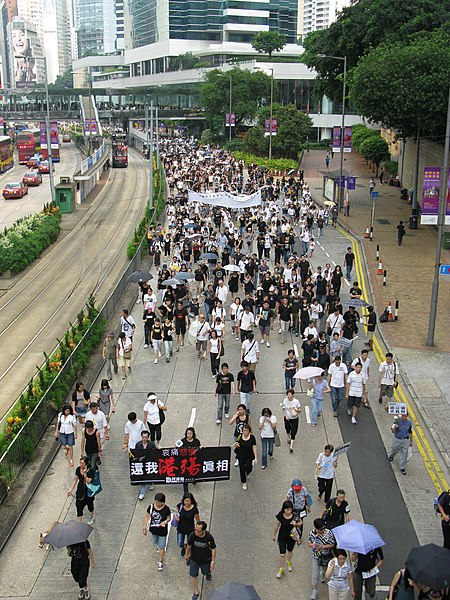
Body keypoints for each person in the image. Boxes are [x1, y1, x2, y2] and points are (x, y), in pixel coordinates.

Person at [185, 521, 217, 600]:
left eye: (198, 531)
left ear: (203, 531)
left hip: (205, 560)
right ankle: (196, 591)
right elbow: (189, 545)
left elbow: (213, 549)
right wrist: (187, 554)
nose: (196, 532)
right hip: (194, 559)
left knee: (205, 572)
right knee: (193, 575)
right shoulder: (192, 535)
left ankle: (208, 574)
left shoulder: (209, 537)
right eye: (195, 529)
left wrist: (212, 561)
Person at [308, 518, 336, 600]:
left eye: (324, 528)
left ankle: (323, 574)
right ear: (316, 529)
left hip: (326, 556)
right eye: (321, 529)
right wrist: (312, 545)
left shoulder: (329, 533)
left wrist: (323, 546)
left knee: (324, 568)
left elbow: (332, 545)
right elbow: (309, 542)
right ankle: (314, 590)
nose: (323, 530)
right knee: (314, 575)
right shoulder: (312, 533)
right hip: (316, 556)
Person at [143, 492, 171, 571]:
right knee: (155, 541)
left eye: (160, 502)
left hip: (162, 531)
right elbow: (147, 516)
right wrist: (144, 527)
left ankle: (160, 561)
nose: (158, 504)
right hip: (153, 529)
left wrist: (165, 522)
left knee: (162, 546)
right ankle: (159, 547)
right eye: (157, 502)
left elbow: (169, 518)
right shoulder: (151, 507)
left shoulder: (166, 509)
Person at [273, 500, 298, 579]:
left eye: (290, 509)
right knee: (282, 554)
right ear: (284, 509)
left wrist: (296, 524)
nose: (289, 511)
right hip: (282, 537)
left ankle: (289, 562)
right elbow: (277, 525)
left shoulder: (294, 515)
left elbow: (301, 522)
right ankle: (281, 568)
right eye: (287, 510)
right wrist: (274, 535)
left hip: (291, 537)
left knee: (290, 550)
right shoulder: (280, 515)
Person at [67, 456, 96, 525]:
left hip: (88, 491)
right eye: (80, 463)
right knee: (78, 506)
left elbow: (89, 481)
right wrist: (70, 489)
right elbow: (75, 479)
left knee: (90, 505)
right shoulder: (78, 469)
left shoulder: (91, 470)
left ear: (86, 464)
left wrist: (85, 474)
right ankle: (79, 523)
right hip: (80, 490)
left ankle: (92, 516)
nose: (80, 465)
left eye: (82, 463)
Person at [234, 423, 257, 490]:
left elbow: (254, 447)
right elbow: (236, 443)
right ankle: (244, 482)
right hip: (241, 455)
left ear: (249, 431)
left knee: (249, 467)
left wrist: (256, 457)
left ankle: (247, 472)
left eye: (246, 430)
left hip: (249, 455)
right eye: (244, 430)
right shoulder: (240, 436)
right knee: (241, 468)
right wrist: (236, 445)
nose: (245, 432)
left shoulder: (252, 437)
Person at [176, 492, 200, 557]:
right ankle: (184, 547)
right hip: (181, 528)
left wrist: (198, 529)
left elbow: (198, 519)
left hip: (190, 529)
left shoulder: (194, 509)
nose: (186, 503)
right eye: (185, 501)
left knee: (190, 544)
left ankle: (188, 555)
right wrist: (176, 517)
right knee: (179, 543)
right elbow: (176, 512)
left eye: (188, 501)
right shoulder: (180, 506)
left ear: (191, 501)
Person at [55, 403, 78, 467]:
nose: (67, 412)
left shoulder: (72, 417)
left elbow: (75, 425)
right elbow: (58, 423)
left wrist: (75, 433)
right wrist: (56, 432)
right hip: (62, 432)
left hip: (70, 432)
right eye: (66, 410)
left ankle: (71, 459)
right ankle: (67, 449)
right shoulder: (60, 415)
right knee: (64, 445)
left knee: (71, 446)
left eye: (68, 411)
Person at [136, 430, 156, 500]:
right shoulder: (138, 444)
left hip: (149, 463)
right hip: (141, 464)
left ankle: (150, 483)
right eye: (143, 437)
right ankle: (142, 493)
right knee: (143, 478)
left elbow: (155, 453)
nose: (144, 439)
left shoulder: (151, 444)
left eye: (146, 437)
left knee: (150, 475)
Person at [282, 389, 301, 453]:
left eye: (289, 394)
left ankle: (291, 447)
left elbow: (300, 410)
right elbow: (283, 408)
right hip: (287, 418)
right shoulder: (285, 401)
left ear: (292, 395)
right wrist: (285, 415)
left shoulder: (296, 401)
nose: (288, 396)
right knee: (287, 429)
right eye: (287, 394)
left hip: (295, 418)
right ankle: (288, 438)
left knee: (293, 431)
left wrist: (297, 410)